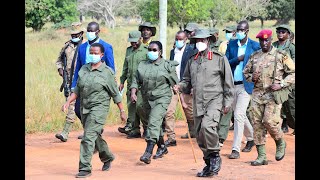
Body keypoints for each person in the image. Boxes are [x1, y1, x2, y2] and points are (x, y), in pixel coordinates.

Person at [174, 28, 234, 177]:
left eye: (203, 40)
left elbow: (228, 82)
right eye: (197, 41)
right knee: (200, 135)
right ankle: (208, 164)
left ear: (208, 41)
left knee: (208, 127)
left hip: (215, 100)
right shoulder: (192, 60)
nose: (200, 43)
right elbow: (186, 80)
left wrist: (228, 102)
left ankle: (214, 156)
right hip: (198, 102)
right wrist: (179, 86)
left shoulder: (219, 58)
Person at [62, 43, 127, 178]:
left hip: (99, 109)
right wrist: (68, 102)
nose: (93, 55)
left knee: (87, 137)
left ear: (102, 55)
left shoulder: (107, 72)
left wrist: (122, 111)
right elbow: (77, 90)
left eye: (96, 53)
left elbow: (115, 93)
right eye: (91, 52)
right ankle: (108, 157)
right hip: (85, 107)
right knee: (94, 135)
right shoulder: (84, 69)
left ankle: (85, 168)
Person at [243, 29, 295, 166]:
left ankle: (280, 141)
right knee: (257, 124)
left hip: (273, 94)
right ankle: (261, 156)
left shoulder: (280, 55)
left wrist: (282, 84)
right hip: (257, 94)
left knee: (269, 121)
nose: (264, 43)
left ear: (271, 40)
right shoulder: (254, 56)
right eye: (262, 40)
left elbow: (293, 73)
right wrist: (251, 78)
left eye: (267, 40)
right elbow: (246, 73)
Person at [130, 41, 179, 164]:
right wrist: (133, 92)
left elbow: (176, 83)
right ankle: (162, 147)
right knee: (152, 124)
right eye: (149, 50)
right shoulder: (142, 65)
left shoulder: (167, 66)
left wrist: (179, 92)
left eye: (154, 50)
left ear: (160, 52)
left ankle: (148, 152)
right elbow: (135, 80)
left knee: (153, 121)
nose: (151, 52)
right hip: (146, 97)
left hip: (162, 98)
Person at [71, 21, 116, 139]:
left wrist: (110, 84)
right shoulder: (82, 47)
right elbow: (77, 68)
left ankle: (91, 134)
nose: (90, 33)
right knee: (78, 110)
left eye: (92, 31)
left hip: (98, 85)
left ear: (98, 32)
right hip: (83, 83)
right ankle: (92, 130)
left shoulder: (106, 47)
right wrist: (73, 84)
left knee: (94, 111)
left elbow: (111, 68)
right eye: (88, 31)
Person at [224, 20, 260, 159]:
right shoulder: (232, 44)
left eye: (241, 30)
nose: (238, 32)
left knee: (238, 114)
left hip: (246, 86)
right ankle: (252, 138)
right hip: (232, 84)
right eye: (237, 29)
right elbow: (226, 62)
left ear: (247, 31)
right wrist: (237, 59)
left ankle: (235, 149)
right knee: (240, 115)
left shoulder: (254, 46)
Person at [164, 30, 197, 147]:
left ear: (186, 39)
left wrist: (193, 86)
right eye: (176, 39)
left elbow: (194, 70)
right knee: (169, 112)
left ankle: (195, 132)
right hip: (174, 86)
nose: (178, 41)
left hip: (186, 86)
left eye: (180, 39)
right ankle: (171, 137)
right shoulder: (172, 52)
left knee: (191, 113)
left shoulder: (192, 51)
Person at [55, 22, 84, 142]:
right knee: (71, 105)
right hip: (69, 82)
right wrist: (60, 69)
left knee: (82, 108)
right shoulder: (67, 46)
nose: (74, 37)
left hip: (83, 81)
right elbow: (59, 60)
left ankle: (91, 131)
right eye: (72, 35)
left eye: (76, 34)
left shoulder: (86, 46)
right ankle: (65, 133)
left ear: (81, 33)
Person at [118, 30, 149, 138]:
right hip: (130, 84)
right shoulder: (129, 51)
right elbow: (125, 67)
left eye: (135, 42)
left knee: (141, 107)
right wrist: (122, 81)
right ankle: (135, 130)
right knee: (132, 107)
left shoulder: (146, 51)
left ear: (140, 39)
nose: (134, 44)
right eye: (131, 42)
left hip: (142, 84)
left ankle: (147, 129)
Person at [272, 24, 295, 135]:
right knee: (277, 102)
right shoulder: (273, 45)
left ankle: (292, 124)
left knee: (290, 104)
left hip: (288, 79)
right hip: (276, 78)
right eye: (279, 32)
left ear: (288, 34)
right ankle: (283, 123)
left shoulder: (291, 47)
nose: (280, 34)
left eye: (283, 32)